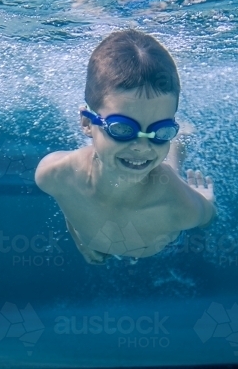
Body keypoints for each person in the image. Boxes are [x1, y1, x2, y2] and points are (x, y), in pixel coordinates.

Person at [34, 29, 215, 265]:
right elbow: (69, 203)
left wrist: (205, 200)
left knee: (167, 169)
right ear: (87, 123)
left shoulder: (180, 205)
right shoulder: (54, 174)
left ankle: (175, 146)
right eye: (122, 129)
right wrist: (81, 240)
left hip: (163, 245)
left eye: (161, 132)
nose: (141, 146)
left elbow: (207, 218)